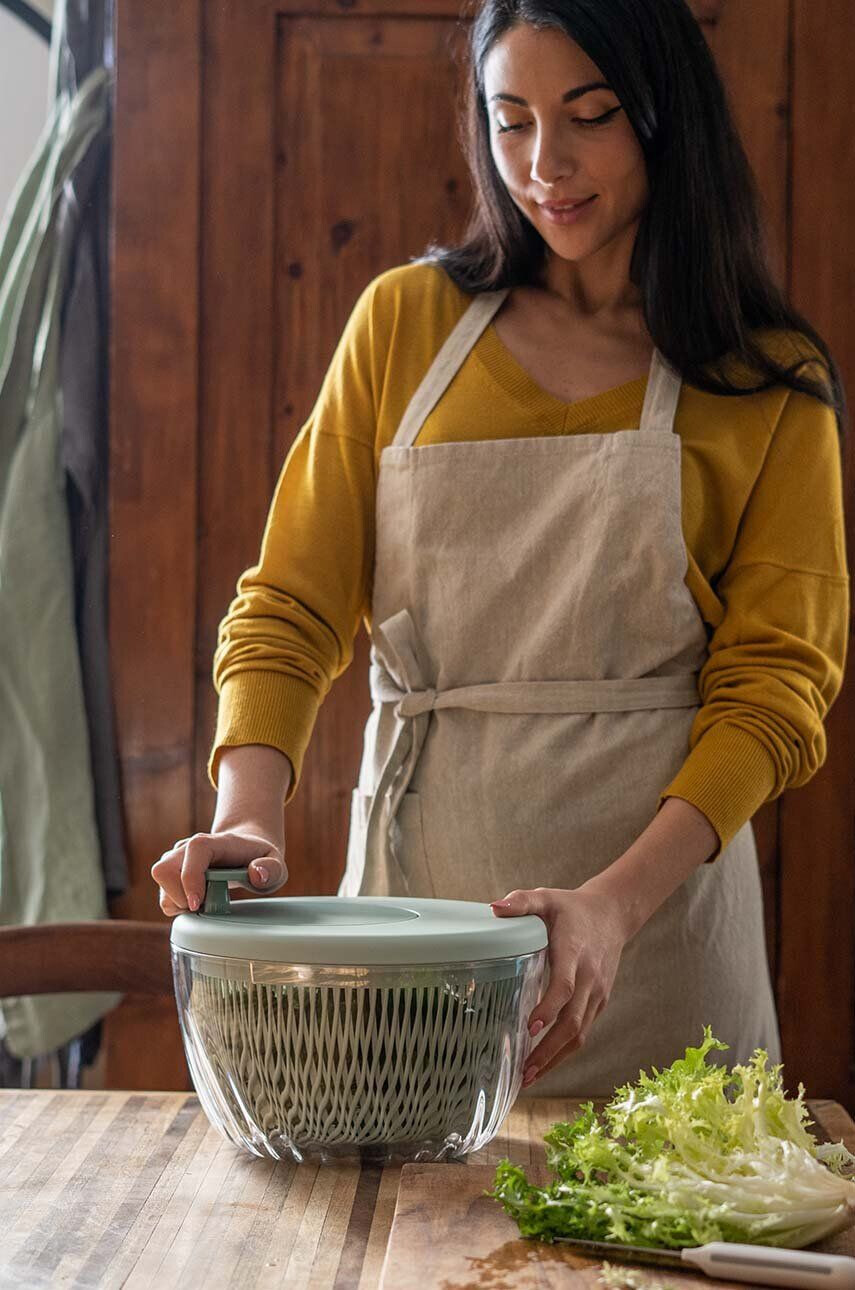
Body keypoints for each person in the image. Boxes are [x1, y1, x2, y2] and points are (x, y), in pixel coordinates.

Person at [151, 0, 849, 1097]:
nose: (545, 166)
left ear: (668, 118)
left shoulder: (768, 381)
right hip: (413, 943)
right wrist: (247, 815)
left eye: (590, 116)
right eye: (510, 120)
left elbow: (777, 689)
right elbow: (291, 604)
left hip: (652, 949)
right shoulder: (405, 324)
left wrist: (611, 909)